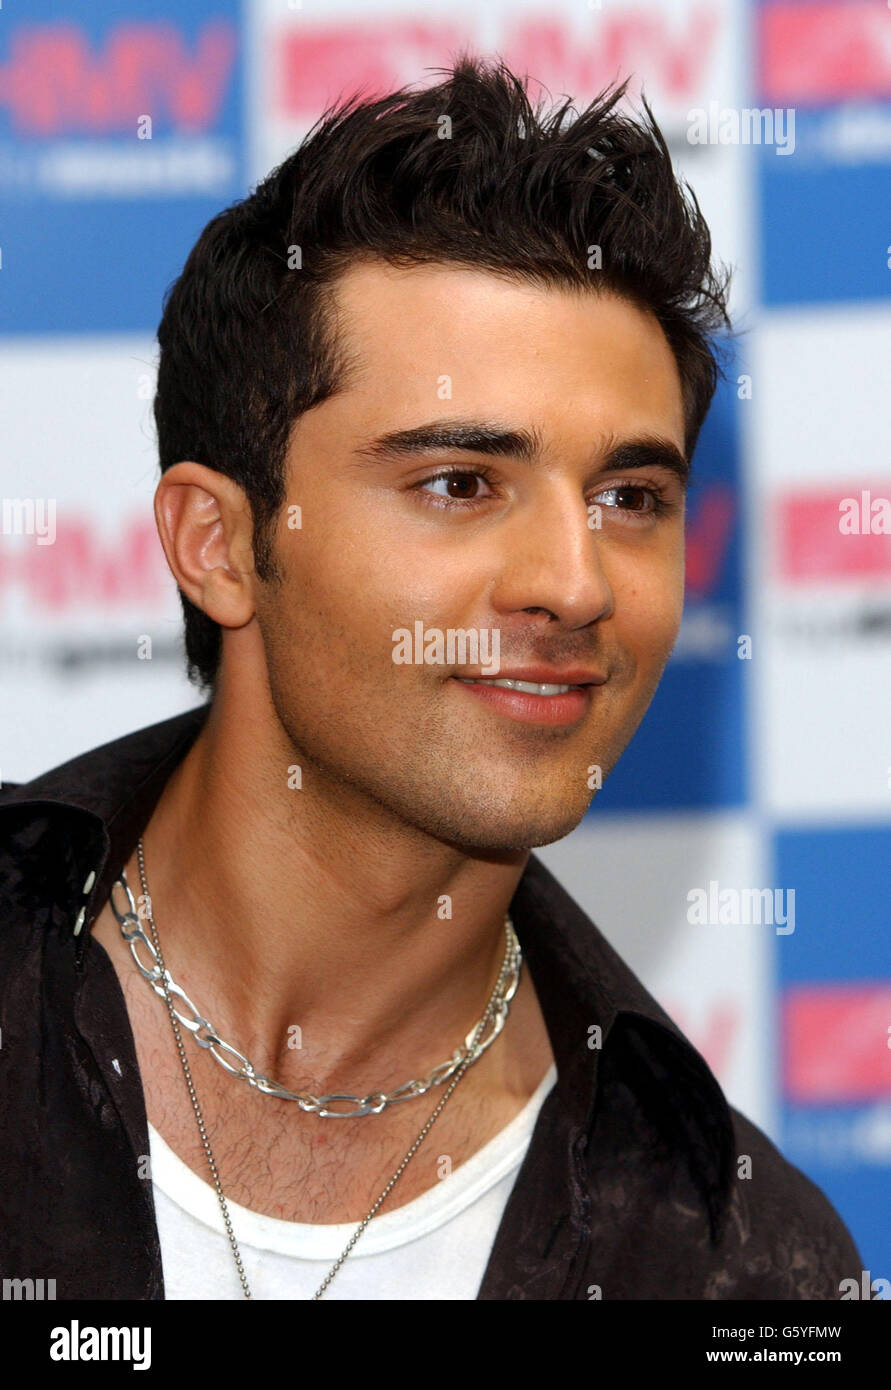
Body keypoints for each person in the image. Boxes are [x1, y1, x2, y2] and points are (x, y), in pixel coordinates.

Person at [0, 54, 862, 1300]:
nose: (576, 582)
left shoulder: (736, 1259)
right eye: (459, 484)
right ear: (220, 545)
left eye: (631, 497)